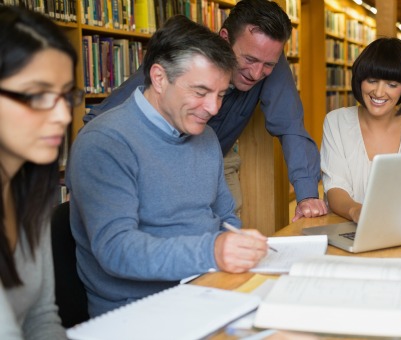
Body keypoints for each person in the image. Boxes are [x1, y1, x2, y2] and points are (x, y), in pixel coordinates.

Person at [66, 16, 270, 317]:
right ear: (159, 78)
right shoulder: (105, 142)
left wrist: (238, 245)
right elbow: (116, 249)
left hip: (209, 287)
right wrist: (212, 252)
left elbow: (226, 216)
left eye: (221, 94)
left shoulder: (205, 136)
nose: (213, 109)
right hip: (138, 311)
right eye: (200, 92)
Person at [84, 0, 327, 221]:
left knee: (227, 226)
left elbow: (290, 125)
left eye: (268, 65)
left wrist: (307, 195)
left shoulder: (267, 58)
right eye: (249, 60)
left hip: (216, 159)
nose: (256, 74)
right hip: (157, 167)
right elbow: (103, 121)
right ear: (224, 38)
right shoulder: (186, 58)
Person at [0, 6, 79, 338]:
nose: (63, 115)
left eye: (65, 95)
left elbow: (41, 317)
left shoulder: (29, 191)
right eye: (37, 95)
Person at [320, 38, 401, 222]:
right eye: (372, 80)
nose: (379, 92)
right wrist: (356, 212)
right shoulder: (336, 122)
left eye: (392, 85)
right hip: (346, 227)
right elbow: (335, 187)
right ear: (360, 80)